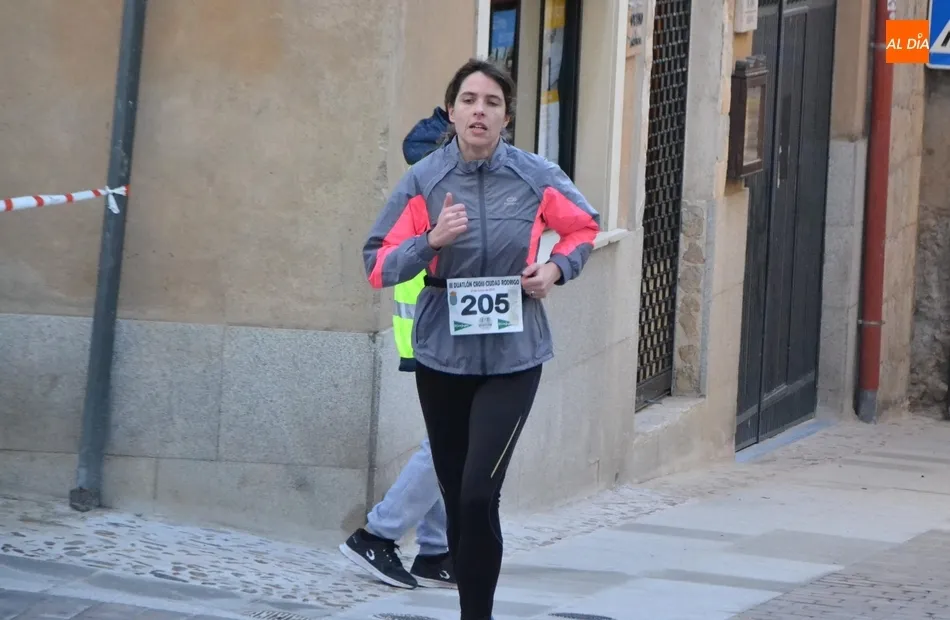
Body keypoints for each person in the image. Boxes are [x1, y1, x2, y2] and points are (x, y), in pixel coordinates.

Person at [361, 59, 600, 620]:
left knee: (477, 492)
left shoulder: (536, 175)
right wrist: (430, 240)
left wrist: (555, 269)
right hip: (442, 357)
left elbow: (584, 228)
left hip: (514, 356)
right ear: (451, 111)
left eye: (492, 103)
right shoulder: (424, 181)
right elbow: (377, 264)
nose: (479, 111)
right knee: (455, 493)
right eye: (469, 100)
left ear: (506, 117)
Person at [339, 106, 456, 591]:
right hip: (435, 328)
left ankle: (435, 550)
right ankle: (377, 535)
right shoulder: (436, 172)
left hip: (448, 329)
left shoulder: (443, 165)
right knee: (450, 443)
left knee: (451, 441)